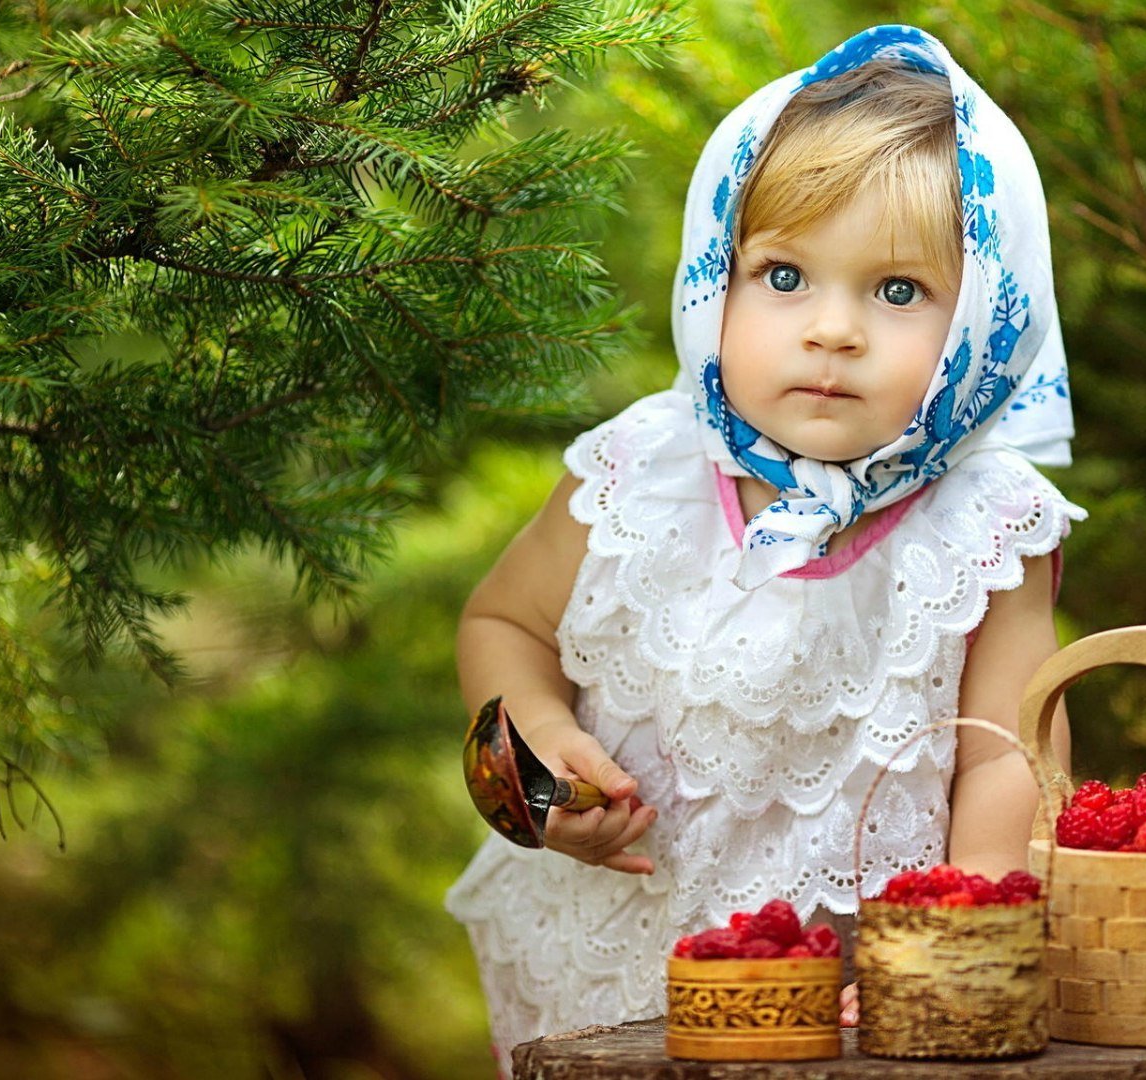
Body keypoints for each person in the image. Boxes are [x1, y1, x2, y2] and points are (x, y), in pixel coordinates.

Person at [443, 24, 1085, 1074]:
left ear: (983, 321)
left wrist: (960, 936)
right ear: (715, 279)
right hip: (601, 960)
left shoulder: (985, 524)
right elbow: (502, 622)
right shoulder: (642, 467)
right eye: (784, 276)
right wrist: (536, 756)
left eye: (898, 292)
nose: (833, 330)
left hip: (848, 1001)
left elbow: (1009, 755)